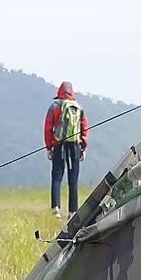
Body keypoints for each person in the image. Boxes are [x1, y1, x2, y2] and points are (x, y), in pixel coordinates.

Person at [43, 80, 88, 215]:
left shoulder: (54, 107)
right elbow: (84, 128)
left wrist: (49, 147)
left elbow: (48, 128)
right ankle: (72, 211)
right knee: (73, 178)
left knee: (57, 176)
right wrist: (83, 148)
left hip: (58, 144)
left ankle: (56, 208)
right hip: (74, 144)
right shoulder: (78, 107)